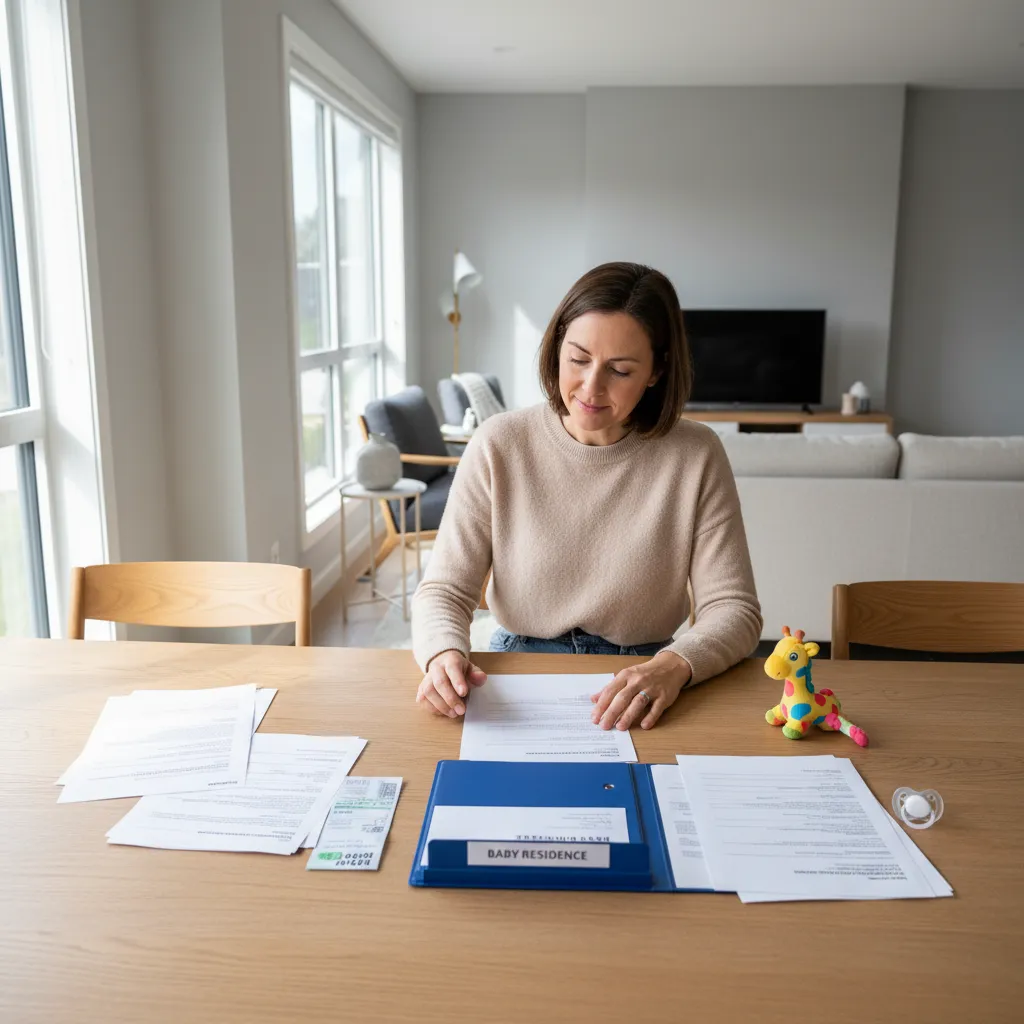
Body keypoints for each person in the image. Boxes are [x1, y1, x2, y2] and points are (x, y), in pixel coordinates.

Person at [412, 262, 762, 731]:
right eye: (578, 359)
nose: (591, 388)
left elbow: (734, 608)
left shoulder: (695, 455)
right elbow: (445, 590)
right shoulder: (499, 444)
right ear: (557, 347)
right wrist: (443, 653)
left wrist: (675, 665)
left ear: (657, 371)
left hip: (647, 679)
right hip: (520, 671)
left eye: (619, 370)